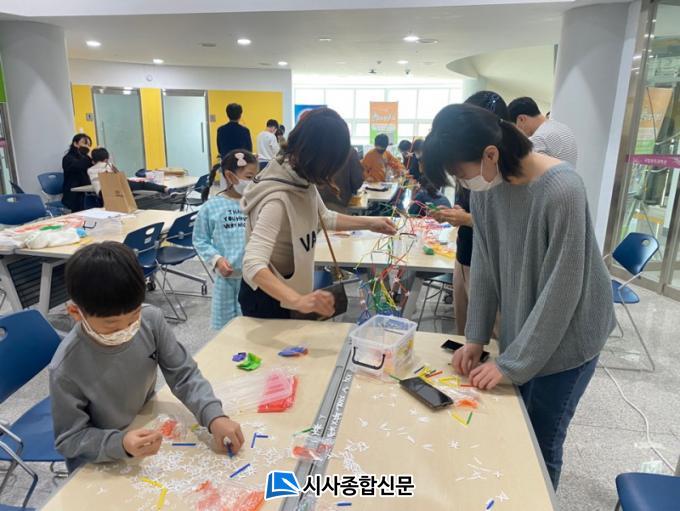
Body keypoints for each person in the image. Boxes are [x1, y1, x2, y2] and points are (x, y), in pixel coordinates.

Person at [423, 103, 614, 489]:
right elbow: (485, 264)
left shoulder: (563, 189)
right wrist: (475, 338)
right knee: (515, 429)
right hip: (528, 326)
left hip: (571, 340)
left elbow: (562, 290)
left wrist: (512, 364)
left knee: (541, 443)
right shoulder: (487, 191)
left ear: (490, 154)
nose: (463, 183)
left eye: (461, 173)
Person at [49, 242, 244, 472]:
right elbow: (70, 439)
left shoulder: (150, 320)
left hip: (142, 422)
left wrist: (214, 416)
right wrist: (120, 443)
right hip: (100, 456)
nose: (126, 331)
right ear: (76, 313)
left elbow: (183, 374)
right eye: (111, 325)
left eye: (133, 317)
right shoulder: (66, 367)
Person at [240, 108, 396, 319]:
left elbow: (325, 217)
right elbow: (252, 264)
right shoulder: (277, 199)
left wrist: (370, 223)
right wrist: (298, 301)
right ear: (320, 159)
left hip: (290, 287)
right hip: (267, 298)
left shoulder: (301, 178)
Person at [432, 90, 509, 336]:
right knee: (466, 334)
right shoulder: (470, 165)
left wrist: (467, 219)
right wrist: (458, 213)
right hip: (465, 254)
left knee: (493, 335)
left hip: (490, 264)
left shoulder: (505, 178)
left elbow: (508, 227)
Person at [194, 150, 258, 329]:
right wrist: (216, 259)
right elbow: (200, 239)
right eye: (249, 177)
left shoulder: (256, 203)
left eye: (256, 177)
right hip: (226, 280)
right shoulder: (212, 207)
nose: (253, 182)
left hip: (255, 280)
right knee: (226, 329)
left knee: (253, 326)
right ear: (230, 176)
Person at [508, 97, 577, 166]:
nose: (518, 133)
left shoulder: (538, 139)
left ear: (521, 119)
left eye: (516, 128)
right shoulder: (563, 127)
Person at [88, 148, 168, 196]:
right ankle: (165, 189)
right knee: (142, 184)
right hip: (114, 189)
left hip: (101, 193)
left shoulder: (90, 170)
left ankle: (165, 189)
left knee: (132, 184)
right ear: (106, 159)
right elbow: (119, 176)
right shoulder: (108, 165)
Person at [317, 148, 364, 214]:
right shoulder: (349, 151)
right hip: (337, 201)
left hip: (313, 200)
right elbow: (356, 182)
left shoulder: (314, 146)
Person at [62, 134, 93, 212]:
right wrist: (89, 157)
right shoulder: (67, 158)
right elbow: (78, 166)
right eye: (84, 143)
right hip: (74, 195)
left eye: (89, 145)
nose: (87, 147)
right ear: (75, 144)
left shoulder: (86, 158)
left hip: (86, 191)